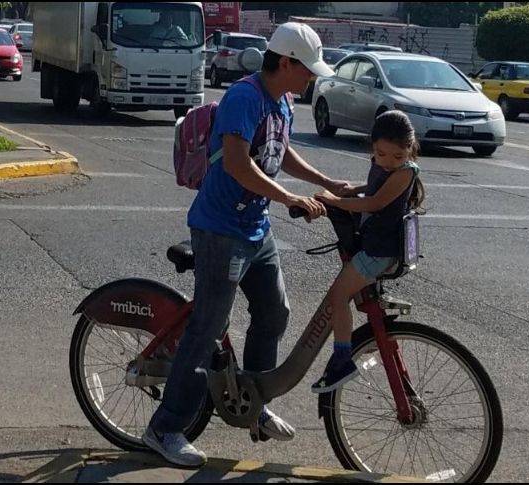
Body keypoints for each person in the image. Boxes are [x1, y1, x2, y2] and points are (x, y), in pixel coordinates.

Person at [142, 22, 350, 468]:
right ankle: (165, 427)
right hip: (220, 230)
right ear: (286, 63)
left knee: (275, 311)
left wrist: (327, 182)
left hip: (256, 228)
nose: (311, 78)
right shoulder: (244, 97)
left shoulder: (283, 101)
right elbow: (237, 164)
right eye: (307, 69)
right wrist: (291, 198)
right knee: (208, 328)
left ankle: (254, 402)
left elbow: (280, 151)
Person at [310, 110, 425, 394]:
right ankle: (372, 340)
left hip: (378, 251)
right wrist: (351, 190)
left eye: (397, 156)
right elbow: (376, 187)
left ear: (410, 149)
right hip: (375, 245)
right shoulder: (388, 166)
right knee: (354, 296)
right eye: (380, 154)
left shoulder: (406, 171)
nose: (387, 162)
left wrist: (336, 201)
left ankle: (341, 359)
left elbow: (376, 202)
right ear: (372, 147)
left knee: (338, 296)